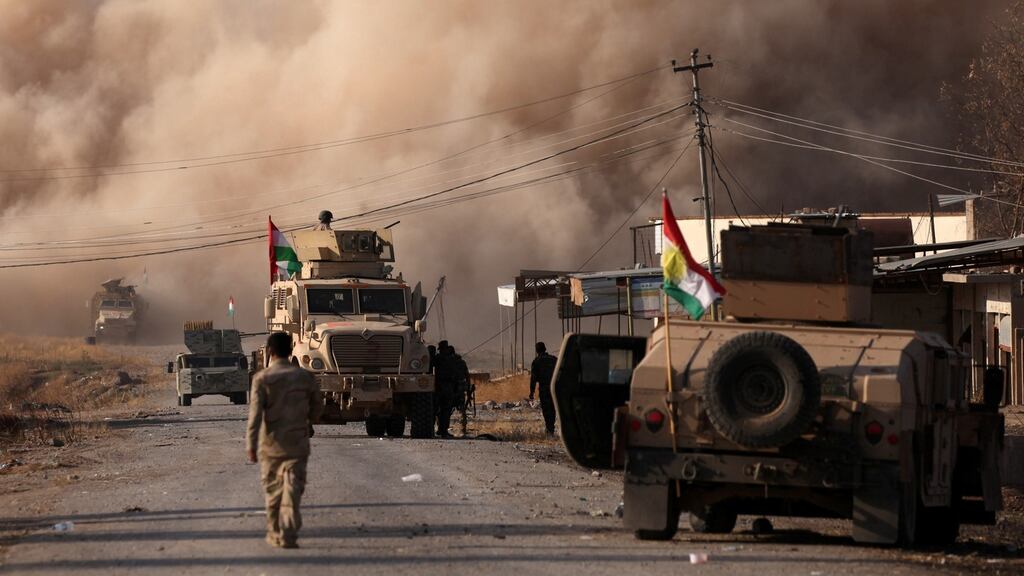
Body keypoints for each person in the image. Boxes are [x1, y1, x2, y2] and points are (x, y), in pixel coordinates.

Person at [246, 332, 323, 549]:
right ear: (290, 351)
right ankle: (289, 532)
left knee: (272, 491)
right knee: (294, 488)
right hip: (297, 443)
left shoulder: (262, 379)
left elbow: (255, 417)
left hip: (271, 446)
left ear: (270, 352)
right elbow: (318, 407)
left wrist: (250, 446)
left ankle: (275, 533)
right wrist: (308, 422)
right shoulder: (305, 377)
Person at [529, 341, 558, 436]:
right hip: (554, 389)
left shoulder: (536, 361)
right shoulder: (554, 359)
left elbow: (533, 378)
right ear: (545, 349)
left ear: (537, 350)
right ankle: (551, 428)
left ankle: (549, 429)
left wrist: (532, 392)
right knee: (553, 409)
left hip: (544, 389)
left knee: (546, 409)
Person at [433, 341, 456, 438]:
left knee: (436, 410)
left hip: (438, 387)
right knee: (445, 410)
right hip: (445, 387)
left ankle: (438, 430)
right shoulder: (450, 359)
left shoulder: (436, 358)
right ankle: (442, 430)